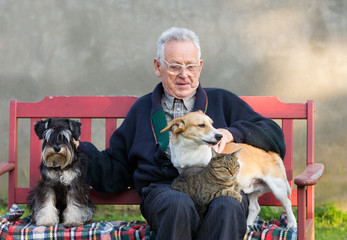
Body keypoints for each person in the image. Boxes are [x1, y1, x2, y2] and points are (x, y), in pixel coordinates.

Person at [75, 27, 286, 240]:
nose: (184, 74)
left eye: (191, 66)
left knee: (228, 205)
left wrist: (231, 133)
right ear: (158, 67)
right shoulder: (142, 110)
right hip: (164, 189)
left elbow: (272, 133)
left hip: (219, 185)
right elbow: (116, 168)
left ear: (200, 67)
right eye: (175, 66)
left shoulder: (222, 101)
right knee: (178, 205)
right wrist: (78, 149)